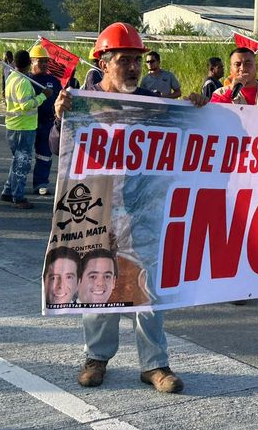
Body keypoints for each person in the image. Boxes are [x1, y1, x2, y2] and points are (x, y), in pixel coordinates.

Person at [52, 22, 200, 394]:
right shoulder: (81, 101)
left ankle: (155, 365)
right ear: (104, 62)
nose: (133, 67)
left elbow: (188, 136)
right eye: (124, 60)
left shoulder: (152, 103)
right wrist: (61, 117)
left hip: (142, 209)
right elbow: (59, 147)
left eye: (137, 59)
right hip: (96, 207)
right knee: (97, 283)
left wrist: (196, 109)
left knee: (148, 288)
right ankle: (96, 358)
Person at [1, 50, 52, 209]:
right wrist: (43, 96)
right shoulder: (22, 82)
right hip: (23, 127)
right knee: (22, 164)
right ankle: (18, 196)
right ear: (29, 63)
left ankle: (8, 191)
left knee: (17, 161)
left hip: (13, 125)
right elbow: (26, 104)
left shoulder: (12, 77)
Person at [29, 44, 63, 196]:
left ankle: (40, 183)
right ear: (32, 62)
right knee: (23, 155)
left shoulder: (54, 81)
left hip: (48, 124)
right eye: (40, 61)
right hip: (28, 123)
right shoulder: (26, 79)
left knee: (44, 155)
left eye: (46, 61)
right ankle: (16, 185)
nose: (43, 64)